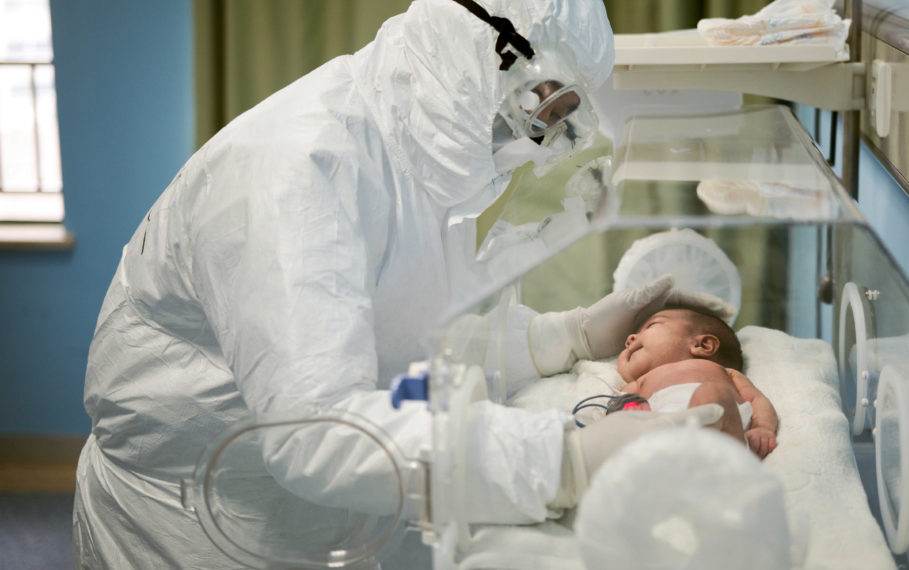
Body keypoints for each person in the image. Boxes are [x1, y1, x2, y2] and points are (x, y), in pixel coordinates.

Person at [73, 1, 722, 567]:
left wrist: (560, 337)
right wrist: (559, 463)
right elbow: (316, 435)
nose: (548, 138)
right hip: (196, 523)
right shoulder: (296, 170)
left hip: (322, 518)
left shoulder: (431, 158)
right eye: (549, 106)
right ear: (494, 55)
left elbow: (405, 333)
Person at [615, 306, 780, 457]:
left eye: (651, 326)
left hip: (719, 433)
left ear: (703, 345)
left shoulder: (722, 372)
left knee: (714, 393)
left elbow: (756, 400)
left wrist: (762, 427)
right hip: (661, 433)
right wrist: (630, 412)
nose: (630, 338)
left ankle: (705, 460)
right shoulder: (639, 383)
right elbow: (615, 413)